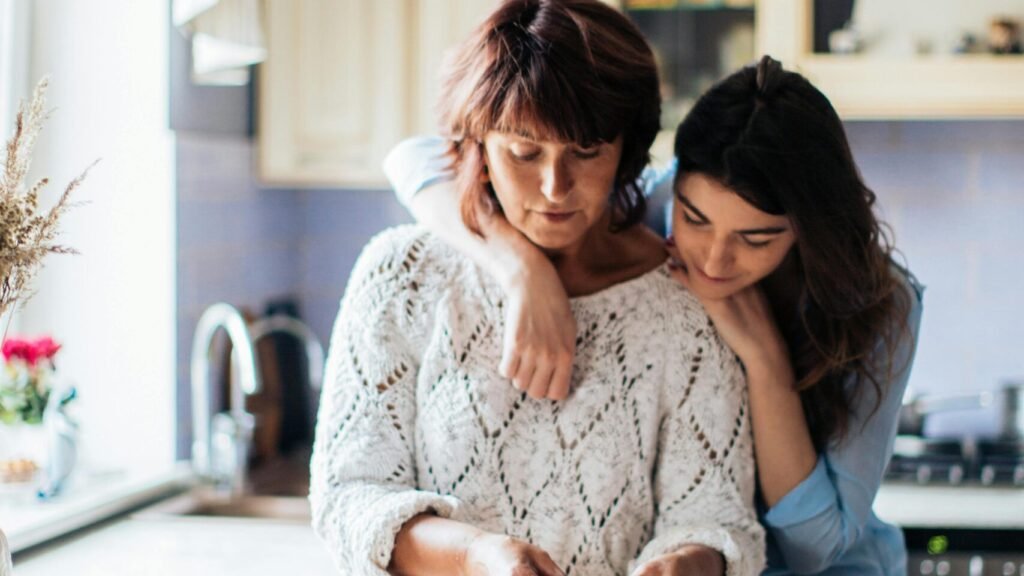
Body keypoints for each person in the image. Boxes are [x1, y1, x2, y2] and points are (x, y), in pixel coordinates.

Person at [382, 55, 924, 575]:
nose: (713, 259)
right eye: (695, 219)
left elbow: (816, 548)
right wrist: (521, 268)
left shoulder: (880, 300)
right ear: (675, 182)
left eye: (755, 238)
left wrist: (765, 359)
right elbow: (414, 159)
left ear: (808, 227)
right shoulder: (648, 206)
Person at [309, 1, 765, 576]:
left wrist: (688, 563)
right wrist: (476, 556)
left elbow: (719, 518)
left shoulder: (683, 304)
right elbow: (348, 496)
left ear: (627, 147)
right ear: (478, 146)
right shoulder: (402, 276)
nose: (555, 186)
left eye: (587, 151)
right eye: (524, 152)